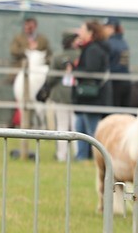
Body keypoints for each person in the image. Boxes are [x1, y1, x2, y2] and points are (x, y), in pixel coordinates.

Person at [70, 20, 113, 161]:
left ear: (91, 33)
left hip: (92, 97)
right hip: (87, 97)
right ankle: (81, 157)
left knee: (92, 131)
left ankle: (99, 159)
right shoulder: (90, 48)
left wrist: (74, 70)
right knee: (80, 127)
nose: (79, 32)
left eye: (82, 29)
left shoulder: (93, 49)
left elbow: (90, 71)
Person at [42, 32, 79, 161]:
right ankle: (77, 154)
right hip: (76, 95)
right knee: (75, 126)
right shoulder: (80, 55)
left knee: (62, 125)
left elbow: (50, 78)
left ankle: (61, 155)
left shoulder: (57, 56)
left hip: (60, 95)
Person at [103, 18, 132, 108]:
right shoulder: (123, 42)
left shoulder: (108, 43)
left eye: (105, 27)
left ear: (112, 28)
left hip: (114, 82)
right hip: (126, 81)